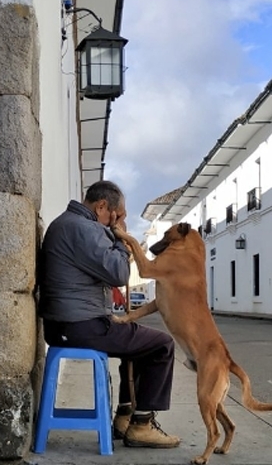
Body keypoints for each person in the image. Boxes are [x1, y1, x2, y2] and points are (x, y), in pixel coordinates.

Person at [37, 180, 181, 448]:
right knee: (162, 345)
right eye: (118, 215)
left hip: (67, 325)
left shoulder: (69, 224)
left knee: (140, 345)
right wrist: (120, 239)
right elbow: (119, 274)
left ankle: (125, 416)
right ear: (102, 206)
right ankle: (142, 424)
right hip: (81, 325)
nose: (118, 221)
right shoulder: (84, 228)